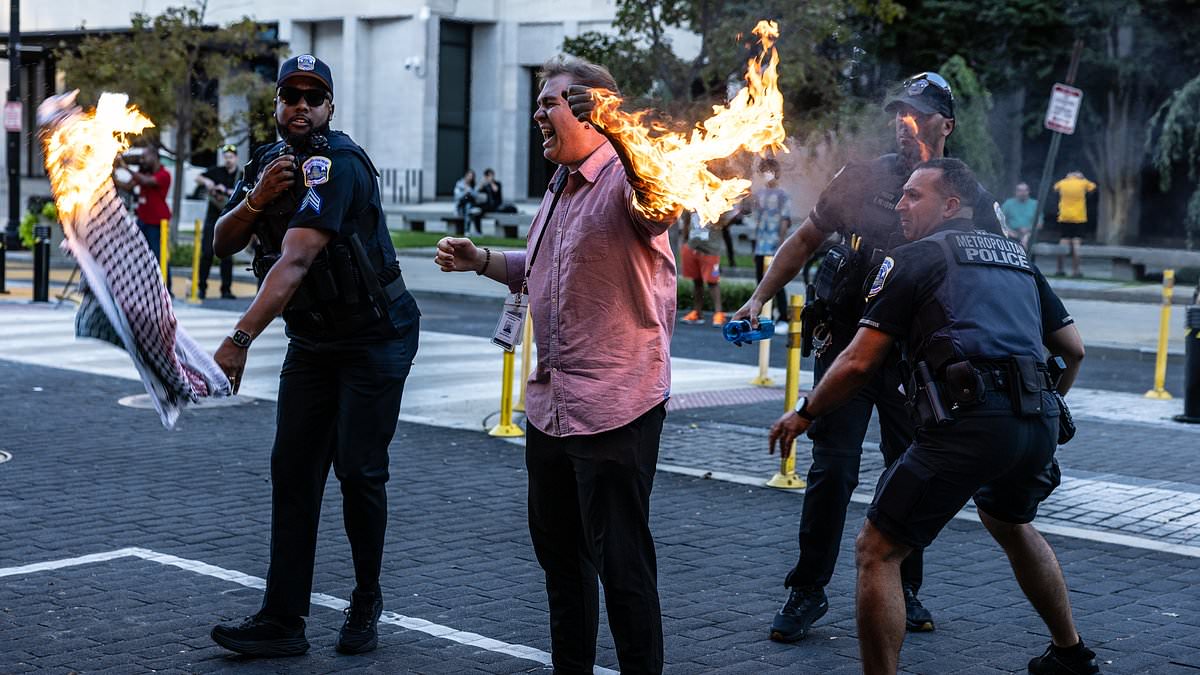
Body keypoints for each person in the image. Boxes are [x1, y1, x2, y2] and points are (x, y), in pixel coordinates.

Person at [768, 158, 1092, 675]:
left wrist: (805, 412)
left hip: (968, 422)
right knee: (1011, 523)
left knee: (877, 550)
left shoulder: (915, 258)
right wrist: (1046, 410)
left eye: (914, 196)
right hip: (1037, 420)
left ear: (951, 206)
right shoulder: (1016, 257)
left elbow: (857, 361)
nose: (899, 204)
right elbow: (1073, 350)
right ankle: (1071, 653)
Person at [731, 71, 1006, 644]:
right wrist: (758, 298)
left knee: (911, 469)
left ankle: (902, 584)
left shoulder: (966, 192)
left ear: (946, 125)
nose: (905, 127)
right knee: (833, 468)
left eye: (919, 115)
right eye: (898, 115)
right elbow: (805, 239)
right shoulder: (862, 178)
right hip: (846, 346)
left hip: (916, 358)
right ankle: (807, 590)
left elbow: (990, 270)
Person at [434, 53, 680, 675]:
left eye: (550, 102)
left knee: (622, 568)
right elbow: (541, 265)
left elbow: (662, 208)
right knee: (563, 564)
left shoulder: (630, 180)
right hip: (551, 410)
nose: (537, 112)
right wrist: (483, 259)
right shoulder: (560, 187)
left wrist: (622, 131)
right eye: (539, 101)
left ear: (593, 109)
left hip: (616, 406)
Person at [208, 54, 420, 658]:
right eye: (290, 95)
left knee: (358, 471)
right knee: (293, 472)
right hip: (314, 342)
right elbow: (222, 243)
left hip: (375, 339)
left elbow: (295, 260)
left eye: (314, 96)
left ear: (330, 107)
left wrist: (239, 339)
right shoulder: (264, 164)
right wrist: (254, 200)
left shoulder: (338, 164)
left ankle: (366, 598)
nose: (301, 105)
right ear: (276, 105)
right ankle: (282, 620)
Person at [114, 145, 173, 291]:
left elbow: (147, 182)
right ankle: (144, 287)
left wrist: (125, 167)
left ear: (154, 157)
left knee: (158, 255)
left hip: (157, 222)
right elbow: (128, 186)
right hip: (142, 220)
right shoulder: (142, 173)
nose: (142, 160)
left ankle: (166, 287)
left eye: (144, 157)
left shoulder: (164, 174)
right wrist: (113, 178)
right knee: (138, 254)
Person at [746, 158, 792, 321]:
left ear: (776, 173)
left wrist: (781, 245)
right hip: (761, 245)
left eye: (770, 171)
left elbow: (785, 220)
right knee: (760, 283)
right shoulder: (759, 194)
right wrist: (754, 246)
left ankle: (783, 317)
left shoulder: (783, 195)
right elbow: (757, 220)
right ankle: (765, 316)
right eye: (764, 170)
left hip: (774, 245)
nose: (767, 174)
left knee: (776, 282)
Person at [195, 144, 241, 299]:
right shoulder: (217, 171)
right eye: (226, 157)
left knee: (227, 256)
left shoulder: (240, 175)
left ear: (236, 158)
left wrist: (227, 191)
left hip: (229, 219)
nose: (228, 160)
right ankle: (201, 288)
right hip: (212, 218)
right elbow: (198, 177)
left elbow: (245, 192)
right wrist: (210, 184)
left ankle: (226, 290)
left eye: (231, 157)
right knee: (207, 253)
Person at [680, 209, 727, 326]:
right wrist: (685, 240)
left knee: (713, 282)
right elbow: (686, 221)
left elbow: (724, 223)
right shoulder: (691, 201)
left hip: (710, 250)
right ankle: (697, 312)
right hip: (693, 246)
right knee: (697, 281)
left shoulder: (717, 202)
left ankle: (718, 313)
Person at [1053, 170, 1096, 277]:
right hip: (1078, 217)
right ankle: (1076, 271)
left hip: (1064, 216)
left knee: (1063, 241)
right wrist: (1083, 178)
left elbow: (1055, 188)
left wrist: (1066, 178)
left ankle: (1059, 269)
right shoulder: (1082, 183)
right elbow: (1093, 187)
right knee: (1076, 244)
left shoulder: (1063, 183)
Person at [1001, 181, 1040, 249]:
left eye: (1025, 190)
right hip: (1011, 234)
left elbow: (1039, 224)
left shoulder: (1035, 204)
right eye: (1020, 190)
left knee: (1027, 240)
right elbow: (1000, 220)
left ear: (1029, 192)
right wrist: (1009, 231)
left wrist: (1028, 231)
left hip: (1030, 235)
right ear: (1016, 192)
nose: (1023, 193)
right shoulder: (1008, 204)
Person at [453, 169, 483, 234]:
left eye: (472, 176)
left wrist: (470, 190)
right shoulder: (459, 184)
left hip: (471, 204)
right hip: (461, 206)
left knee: (469, 207)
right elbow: (457, 197)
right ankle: (468, 231)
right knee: (468, 208)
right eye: (469, 176)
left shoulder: (473, 185)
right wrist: (465, 192)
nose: (470, 178)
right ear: (465, 176)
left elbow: (475, 195)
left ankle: (468, 231)